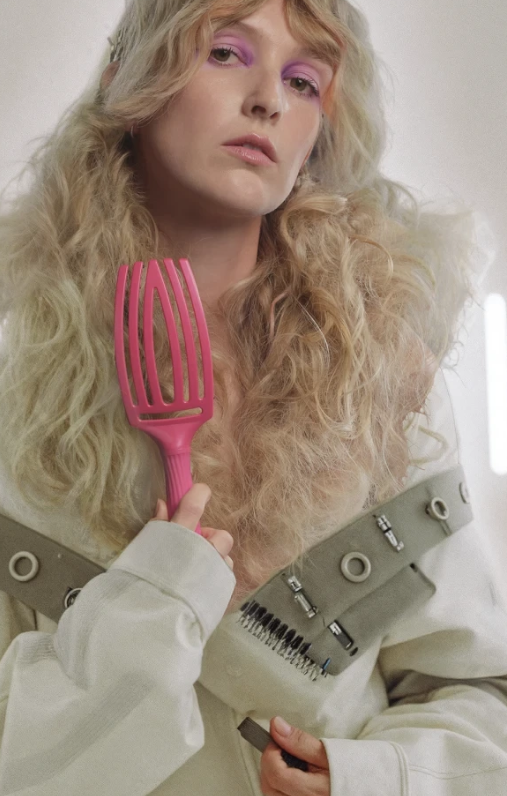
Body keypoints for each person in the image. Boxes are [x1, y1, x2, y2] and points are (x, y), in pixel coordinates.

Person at [0, 0, 505, 793]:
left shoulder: (380, 382)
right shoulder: (13, 384)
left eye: (303, 81)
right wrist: (151, 603)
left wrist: (369, 777)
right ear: (128, 81)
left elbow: (478, 694)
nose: (268, 99)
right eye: (226, 54)